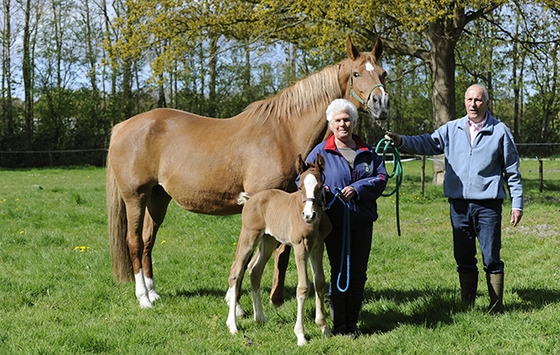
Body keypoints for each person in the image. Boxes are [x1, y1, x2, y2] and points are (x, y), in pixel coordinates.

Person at [385, 84, 523, 313]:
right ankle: (467, 305)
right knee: (463, 256)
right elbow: (427, 142)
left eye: (478, 100)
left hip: (488, 204)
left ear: (487, 103)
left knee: (491, 257)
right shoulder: (452, 128)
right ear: (464, 102)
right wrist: (402, 140)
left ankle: (496, 307)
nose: (473, 104)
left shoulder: (500, 131)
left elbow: (512, 170)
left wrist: (516, 203)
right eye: (469, 99)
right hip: (458, 204)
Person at [303, 98, 388, 336]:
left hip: (361, 221)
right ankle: (339, 325)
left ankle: (353, 322)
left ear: (354, 122)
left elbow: (381, 178)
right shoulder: (321, 152)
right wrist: (323, 191)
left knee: (359, 272)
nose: (343, 124)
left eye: (347, 119)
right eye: (338, 120)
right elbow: (303, 180)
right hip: (334, 222)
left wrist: (358, 188)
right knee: (340, 270)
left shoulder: (367, 152)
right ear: (330, 124)